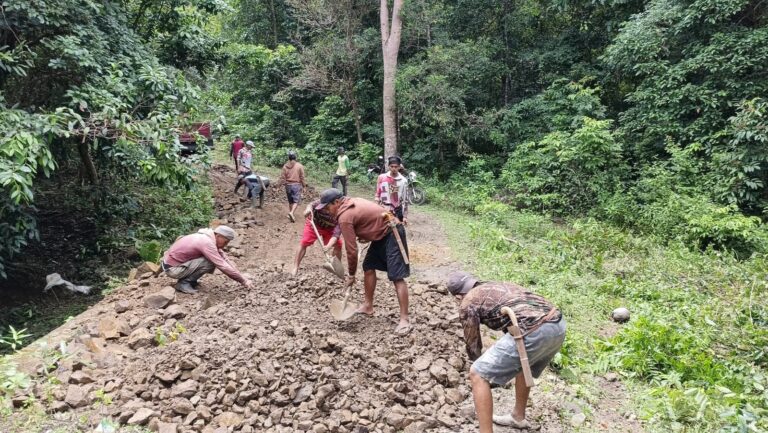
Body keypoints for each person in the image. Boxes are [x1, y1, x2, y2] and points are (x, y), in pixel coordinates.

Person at [446, 271, 566, 432]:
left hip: (535, 329)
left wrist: (480, 367)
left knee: (477, 373)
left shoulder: (468, 301)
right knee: (524, 363)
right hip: (557, 325)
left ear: (458, 296)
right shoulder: (495, 285)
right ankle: (518, 417)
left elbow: (473, 344)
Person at [319, 189, 411, 335]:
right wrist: (368, 234)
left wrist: (351, 275)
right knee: (368, 267)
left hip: (392, 233)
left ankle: (404, 319)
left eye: (327, 207)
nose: (327, 211)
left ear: (336, 202)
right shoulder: (348, 203)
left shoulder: (345, 216)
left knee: (397, 276)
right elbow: (369, 220)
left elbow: (351, 251)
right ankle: (368, 306)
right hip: (381, 235)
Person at [161, 226, 254, 294]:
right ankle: (184, 283)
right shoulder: (206, 242)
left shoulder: (207, 237)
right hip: (173, 269)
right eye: (225, 242)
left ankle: (190, 280)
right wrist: (243, 281)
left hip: (172, 264)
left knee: (212, 259)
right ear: (218, 236)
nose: (226, 245)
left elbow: (224, 258)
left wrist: (241, 276)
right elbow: (222, 265)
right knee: (210, 262)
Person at [291, 197, 343, 276]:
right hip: (315, 224)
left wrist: (328, 246)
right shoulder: (322, 202)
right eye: (324, 207)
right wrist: (308, 210)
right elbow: (311, 204)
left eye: (327, 207)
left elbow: (336, 235)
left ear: (336, 204)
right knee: (304, 242)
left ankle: (335, 267)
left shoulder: (342, 214)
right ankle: (295, 267)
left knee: (338, 245)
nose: (325, 209)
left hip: (331, 228)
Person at [375, 156, 409, 224]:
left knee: (398, 232)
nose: (394, 168)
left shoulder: (403, 181)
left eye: (396, 167)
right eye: (392, 166)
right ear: (388, 166)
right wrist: (376, 206)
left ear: (399, 167)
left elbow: (405, 199)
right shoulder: (382, 177)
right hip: (383, 209)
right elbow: (377, 194)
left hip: (397, 210)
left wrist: (405, 216)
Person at [279, 151, 306, 222]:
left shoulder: (285, 166)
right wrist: (304, 186)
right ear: (295, 157)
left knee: (290, 201)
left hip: (287, 185)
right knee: (296, 201)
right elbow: (302, 177)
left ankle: (290, 214)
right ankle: (291, 212)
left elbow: (282, 177)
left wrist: (278, 186)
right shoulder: (299, 166)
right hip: (296, 185)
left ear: (289, 158)